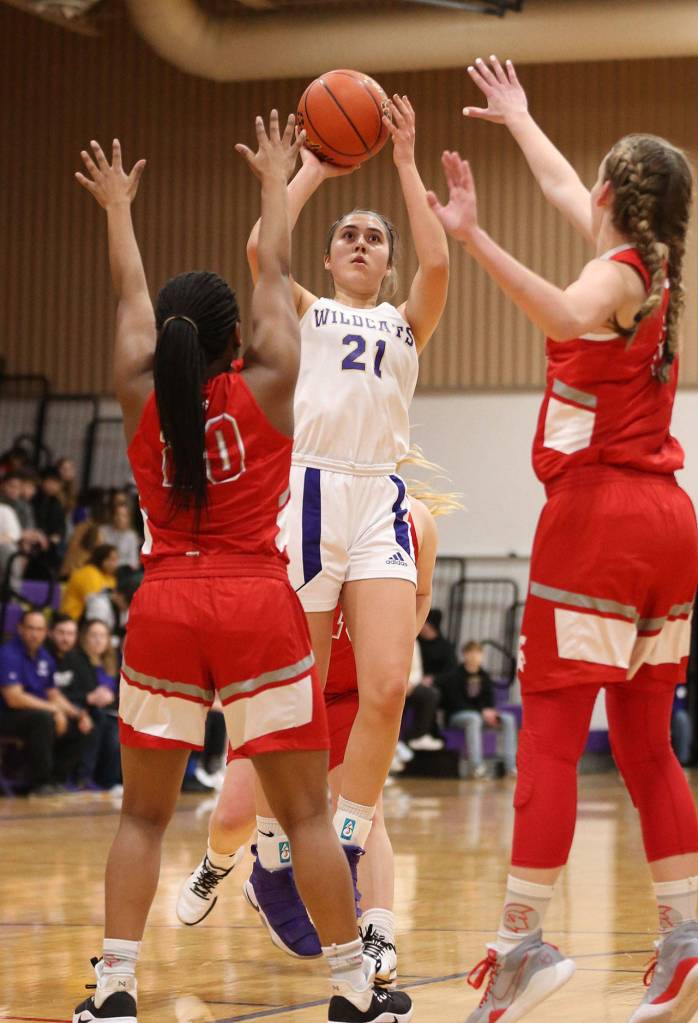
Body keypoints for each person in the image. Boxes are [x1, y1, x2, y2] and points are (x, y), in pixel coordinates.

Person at [71, 118, 411, 1023]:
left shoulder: (137, 393)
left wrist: (118, 210)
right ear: (233, 344)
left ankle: (113, 987)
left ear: (168, 344)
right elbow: (270, 278)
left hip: (166, 607)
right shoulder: (270, 385)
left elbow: (130, 296)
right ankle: (350, 985)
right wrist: (278, 177)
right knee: (304, 815)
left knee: (141, 816)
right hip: (255, 600)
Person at [426, 56, 698, 1023]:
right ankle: (684, 929)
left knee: (545, 736)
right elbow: (558, 183)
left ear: (614, 196)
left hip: (601, 522)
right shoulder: (645, 262)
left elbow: (562, 310)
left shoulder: (612, 275)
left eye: (592, 176)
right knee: (645, 742)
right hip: (667, 524)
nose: (575, 182)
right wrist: (520, 118)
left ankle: (519, 942)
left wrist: (473, 237)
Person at [243, 94, 449, 941]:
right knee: (300, 699)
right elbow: (261, 247)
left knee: (390, 685)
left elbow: (439, 267)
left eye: (375, 238)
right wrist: (315, 169)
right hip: (313, 492)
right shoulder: (305, 307)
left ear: (387, 264)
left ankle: (351, 835)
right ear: (329, 258)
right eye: (348, 235)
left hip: (380, 497)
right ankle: (267, 846)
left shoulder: (407, 320)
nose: (361, 243)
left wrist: (402, 164)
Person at [176, 494, 440, 990]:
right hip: (290, 687)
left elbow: (420, 595)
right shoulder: (296, 506)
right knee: (233, 818)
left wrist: (392, 640)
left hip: (351, 693)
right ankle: (219, 863)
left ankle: (378, 931)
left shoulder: (414, 520)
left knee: (366, 811)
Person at [0, 610, 93, 794]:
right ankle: (39, 782)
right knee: (42, 719)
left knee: (81, 725)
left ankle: (55, 780)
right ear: (20, 629)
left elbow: (53, 693)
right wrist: (53, 710)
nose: (35, 634)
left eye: (40, 629)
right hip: (6, 714)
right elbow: (14, 698)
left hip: (34, 713)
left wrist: (76, 712)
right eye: (31, 628)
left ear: (46, 632)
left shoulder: (44, 656)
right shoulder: (7, 654)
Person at [438, 639, 517, 778]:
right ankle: (477, 767)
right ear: (465, 655)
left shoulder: (484, 676)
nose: (475, 657)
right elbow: (456, 703)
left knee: (508, 719)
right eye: (471, 653)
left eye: (478, 653)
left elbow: (489, 701)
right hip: (458, 716)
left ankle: (510, 767)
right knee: (474, 719)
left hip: (481, 716)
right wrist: (481, 712)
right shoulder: (455, 675)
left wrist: (491, 712)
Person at [60, 543, 118, 621]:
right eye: (111, 559)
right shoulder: (89, 572)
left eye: (116, 560)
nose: (115, 564)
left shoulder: (109, 577)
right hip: (72, 617)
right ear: (101, 559)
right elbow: (94, 602)